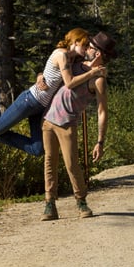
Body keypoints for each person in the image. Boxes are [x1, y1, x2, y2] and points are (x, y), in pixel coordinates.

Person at [0, 28, 105, 156]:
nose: (87, 48)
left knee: (38, 150)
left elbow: (53, 71)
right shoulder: (62, 54)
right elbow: (70, 83)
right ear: (76, 42)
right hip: (30, 100)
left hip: (40, 108)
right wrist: (93, 73)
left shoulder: (72, 59)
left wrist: (40, 74)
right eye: (85, 44)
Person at [40, 31, 116, 221]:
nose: (87, 49)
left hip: (66, 123)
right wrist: (40, 75)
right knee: (49, 161)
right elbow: (57, 69)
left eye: (91, 47)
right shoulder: (76, 64)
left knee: (71, 163)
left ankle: (81, 201)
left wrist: (100, 141)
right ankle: (50, 204)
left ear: (97, 54)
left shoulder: (98, 80)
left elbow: (102, 111)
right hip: (48, 119)